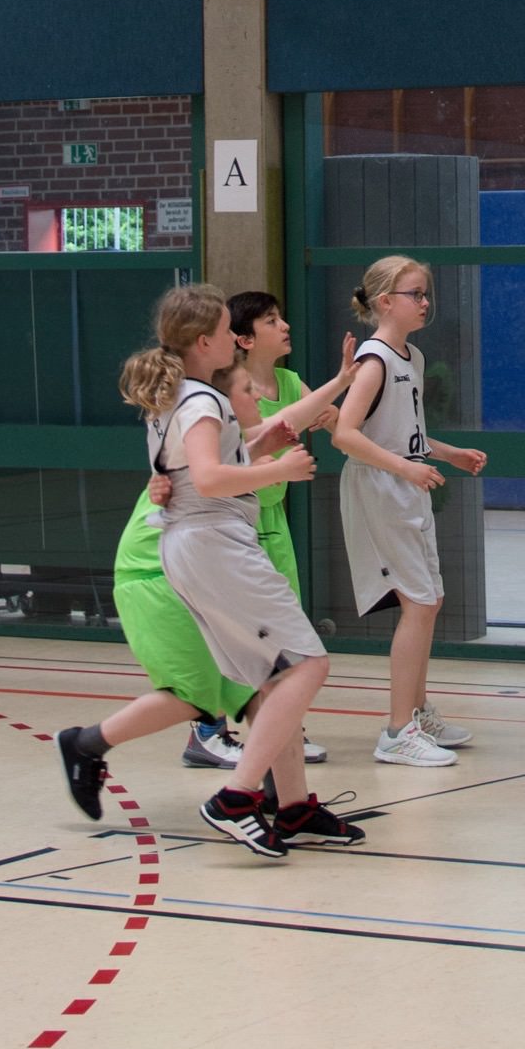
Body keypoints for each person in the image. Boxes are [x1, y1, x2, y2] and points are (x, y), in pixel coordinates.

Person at [57, 285, 360, 860]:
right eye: (226, 332)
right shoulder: (201, 400)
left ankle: (292, 806)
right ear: (204, 342)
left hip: (196, 544)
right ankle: (237, 797)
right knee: (307, 665)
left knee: (271, 678)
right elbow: (210, 477)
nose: (234, 341)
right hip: (213, 543)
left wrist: (263, 443)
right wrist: (280, 471)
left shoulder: (183, 396)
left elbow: (207, 464)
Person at [165, 291, 349, 773]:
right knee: (270, 650)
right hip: (213, 532)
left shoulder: (266, 384)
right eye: (270, 320)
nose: (284, 326)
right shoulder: (210, 396)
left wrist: (337, 396)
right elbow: (210, 472)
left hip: (254, 522)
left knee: (278, 645)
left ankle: (280, 746)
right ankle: (218, 744)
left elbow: (263, 436)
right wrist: (277, 467)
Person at [332, 256, 487, 768]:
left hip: (404, 479)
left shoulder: (411, 357)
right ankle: (398, 731)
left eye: (425, 294)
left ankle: (416, 713)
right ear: (384, 302)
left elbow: (405, 432)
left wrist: (448, 453)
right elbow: (345, 434)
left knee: (430, 599)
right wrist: (404, 467)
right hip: (379, 485)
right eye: (414, 294)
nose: (424, 303)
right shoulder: (374, 360)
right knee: (418, 602)